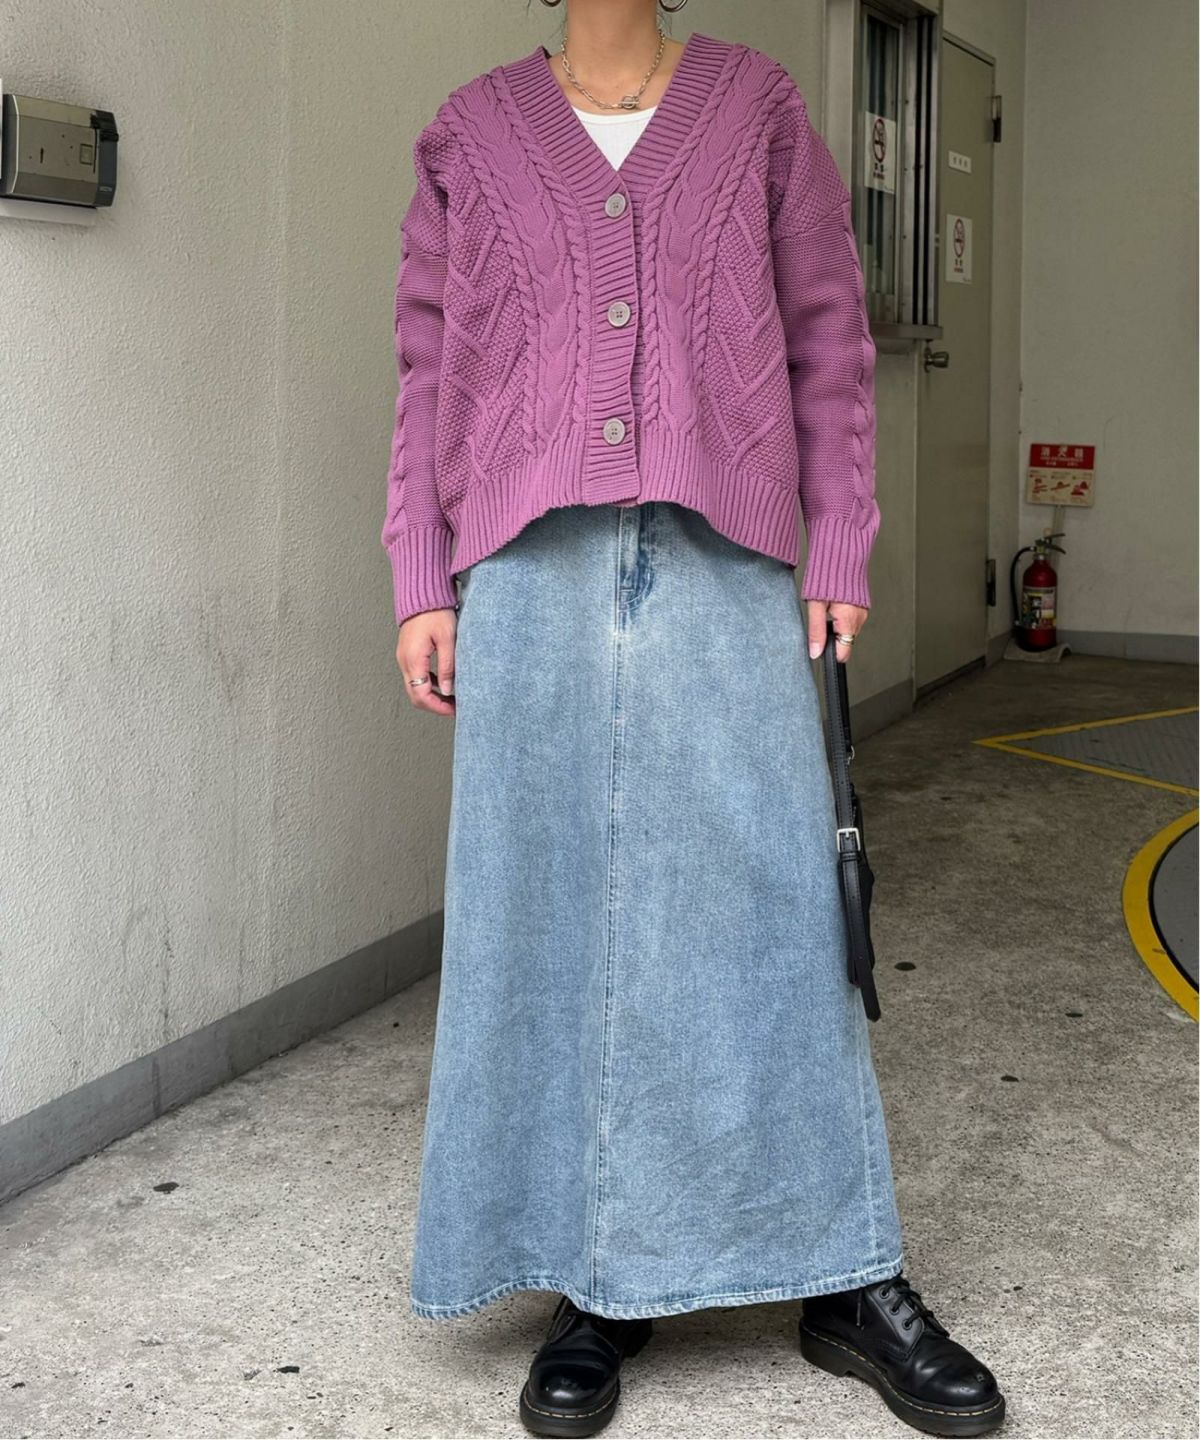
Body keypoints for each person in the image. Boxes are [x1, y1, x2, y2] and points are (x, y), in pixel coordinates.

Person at [381, 2, 1006, 1436]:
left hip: (729, 557)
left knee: (771, 902)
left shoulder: (756, 108)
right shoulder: (472, 133)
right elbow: (430, 365)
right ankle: (598, 1279)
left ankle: (842, 1272)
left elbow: (828, 336)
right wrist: (422, 574)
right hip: (528, 572)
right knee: (553, 914)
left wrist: (839, 536)